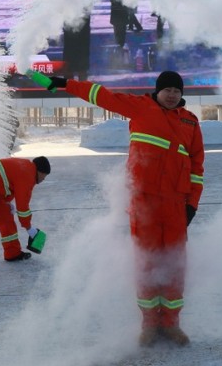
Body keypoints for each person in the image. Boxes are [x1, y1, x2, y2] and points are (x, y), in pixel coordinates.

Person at [47, 69, 204, 347]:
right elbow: (101, 95)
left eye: (177, 91)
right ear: (158, 91)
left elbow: (197, 168)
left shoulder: (190, 123)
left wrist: (192, 204)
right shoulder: (140, 107)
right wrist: (65, 84)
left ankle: (171, 323)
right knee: (146, 261)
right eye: (167, 90)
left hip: (176, 205)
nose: (172, 95)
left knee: (174, 263)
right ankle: (149, 323)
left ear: (182, 95)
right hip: (143, 203)